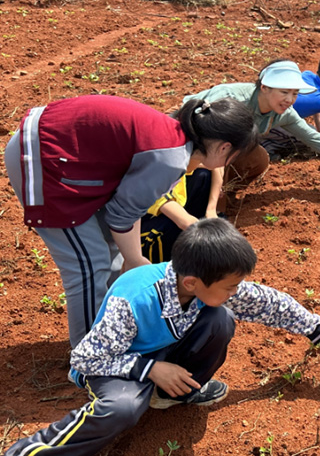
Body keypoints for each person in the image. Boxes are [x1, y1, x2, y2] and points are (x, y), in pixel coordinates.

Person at [4, 218, 320, 456]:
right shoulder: (135, 299)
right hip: (115, 365)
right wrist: (150, 370)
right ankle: (33, 450)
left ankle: (169, 395)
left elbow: (269, 303)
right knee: (122, 409)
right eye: (231, 285)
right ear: (192, 283)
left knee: (220, 318)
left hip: (159, 355)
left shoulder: (206, 281)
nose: (237, 290)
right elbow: (86, 359)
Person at [4, 95, 257, 346]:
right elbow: (122, 214)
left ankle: (113, 329)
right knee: (89, 265)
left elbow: (126, 207)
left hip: (64, 148)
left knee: (111, 250)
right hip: (43, 154)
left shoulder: (176, 135)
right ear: (224, 147)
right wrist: (135, 259)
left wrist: (130, 257)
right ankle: (92, 356)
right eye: (234, 156)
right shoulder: (170, 157)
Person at [185, 59, 320, 189]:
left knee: (258, 159)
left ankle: (222, 195)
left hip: (220, 151)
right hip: (191, 141)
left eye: (295, 94)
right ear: (264, 87)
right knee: (219, 157)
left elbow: (315, 138)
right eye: (284, 92)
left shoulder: (283, 114)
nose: (290, 99)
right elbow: (192, 123)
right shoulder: (232, 100)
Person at [140, 166, 222, 264]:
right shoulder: (156, 177)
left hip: (175, 212)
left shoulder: (183, 163)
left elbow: (218, 166)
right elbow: (185, 222)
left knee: (203, 175)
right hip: (140, 231)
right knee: (170, 223)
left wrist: (211, 209)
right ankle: (168, 266)